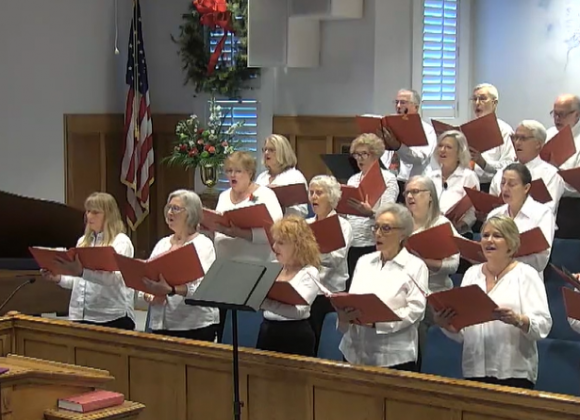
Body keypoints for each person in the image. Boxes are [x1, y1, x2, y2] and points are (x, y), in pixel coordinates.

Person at [434, 216, 552, 389]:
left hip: (513, 371)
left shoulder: (526, 274)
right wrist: (447, 325)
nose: (489, 240)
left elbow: (544, 325)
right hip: (475, 369)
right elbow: (464, 333)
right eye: (485, 235)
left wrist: (518, 320)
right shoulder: (472, 274)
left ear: (511, 244)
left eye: (497, 235)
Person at [204, 151, 284, 341]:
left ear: (250, 173)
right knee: (225, 329)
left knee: (246, 330)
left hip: (254, 272)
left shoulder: (265, 195)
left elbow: (277, 232)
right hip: (226, 271)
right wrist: (209, 227)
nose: (232, 175)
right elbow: (221, 227)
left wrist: (240, 233)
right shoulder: (224, 196)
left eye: (238, 171)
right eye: (229, 170)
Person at [338, 204, 428, 371]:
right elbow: (353, 299)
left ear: (403, 234)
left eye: (386, 228)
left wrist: (378, 323)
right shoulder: (364, 261)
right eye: (376, 227)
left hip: (393, 357)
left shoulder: (415, 266)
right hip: (354, 352)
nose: (378, 233)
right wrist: (344, 316)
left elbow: (416, 311)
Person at [40, 192, 135, 330]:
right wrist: (58, 278)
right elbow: (79, 282)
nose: (89, 216)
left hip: (111, 317)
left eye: (95, 212)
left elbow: (115, 279)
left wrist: (82, 272)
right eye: (88, 211)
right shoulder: (83, 241)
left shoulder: (121, 242)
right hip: (80, 315)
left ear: (109, 215)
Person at [139, 190, 219, 341]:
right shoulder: (162, 244)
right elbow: (145, 276)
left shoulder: (202, 244)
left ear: (191, 213)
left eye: (175, 208)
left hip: (193, 325)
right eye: (168, 208)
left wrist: (171, 290)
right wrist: (149, 294)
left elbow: (204, 288)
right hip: (160, 324)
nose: (170, 212)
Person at [257, 216, 321, 357]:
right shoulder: (273, 267)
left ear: (298, 245)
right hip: (267, 331)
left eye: (281, 243)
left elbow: (297, 311)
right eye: (275, 242)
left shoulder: (309, 272)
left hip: (295, 336)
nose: (274, 247)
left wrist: (264, 303)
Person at [344, 133, 399, 289]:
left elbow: (389, 213)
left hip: (373, 243)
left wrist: (370, 213)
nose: (359, 159)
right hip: (352, 243)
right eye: (356, 154)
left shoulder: (388, 178)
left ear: (375, 155)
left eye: (364, 154)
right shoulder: (353, 180)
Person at [305, 175, 353, 354]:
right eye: (311, 193)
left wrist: (311, 252)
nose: (314, 197)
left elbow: (336, 259)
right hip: (307, 290)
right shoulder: (306, 224)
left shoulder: (343, 226)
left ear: (331, 197)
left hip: (329, 292)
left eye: (319, 193)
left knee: (322, 341)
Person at [487, 163, 555, 279]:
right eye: (503, 183)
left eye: (512, 184)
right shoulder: (494, 215)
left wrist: (505, 260)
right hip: (496, 279)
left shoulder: (542, 214)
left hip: (527, 281)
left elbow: (541, 260)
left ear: (526, 188)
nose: (505, 188)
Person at [489, 120, 564, 216]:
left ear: (538, 144)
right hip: (502, 227)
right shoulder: (502, 172)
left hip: (534, 227)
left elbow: (547, 211)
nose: (517, 143)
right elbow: (492, 201)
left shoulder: (551, 174)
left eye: (523, 138)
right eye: (516, 138)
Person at [380, 88, 437, 197]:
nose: (398, 106)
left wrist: (398, 147)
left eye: (403, 102)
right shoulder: (389, 126)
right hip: (389, 182)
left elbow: (420, 158)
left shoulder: (427, 130)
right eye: (397, 102)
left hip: (415, 183)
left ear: (416, 107)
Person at [427, 130, 480, 236]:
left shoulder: (468, 177)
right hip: (431, 230)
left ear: (459, 152)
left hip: (459, 233)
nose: (442, 150)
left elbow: (472, 213)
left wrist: (458, 226)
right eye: (440, 146)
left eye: (448, 147)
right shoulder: (431, 177)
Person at [467, 83, 516, 192]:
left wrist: (483, 163)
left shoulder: (504, 130)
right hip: (468, 184)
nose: (477, 103)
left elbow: (509, 165)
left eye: (482, 99)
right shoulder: (468, 129)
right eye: (474, 99)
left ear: (494, 103)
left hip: (491, 186)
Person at [545, 94, 580, 239]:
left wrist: (555, 171)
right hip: (546, 201)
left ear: (577, 114)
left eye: (562, 114)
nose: (557, 118)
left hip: (572, 207)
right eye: (555, 113)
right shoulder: (549, 134)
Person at [255, 134, 309, 218]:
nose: (266, 153)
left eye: (271, 150)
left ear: (283, 152)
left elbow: (302, 212)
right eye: (265, 149)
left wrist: (281, 206)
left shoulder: (295, 176)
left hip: (287, 226)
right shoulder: (261, 177)